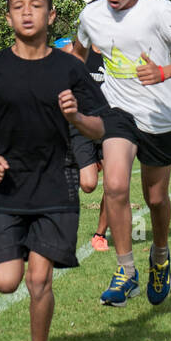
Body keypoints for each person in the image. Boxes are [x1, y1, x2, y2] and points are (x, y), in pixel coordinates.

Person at [0, 0, 107, 341]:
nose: (28, 12)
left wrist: (76, 116)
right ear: (8, 17)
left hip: (55, 184)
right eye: (19, 6)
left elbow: (99, 128)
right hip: (6, 186)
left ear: (51, 15)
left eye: (36, 5)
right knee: (7, 282)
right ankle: (14, 245)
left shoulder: (68, 69)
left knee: (39, 278)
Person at [72, 0, 171, 308]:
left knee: (156, 198)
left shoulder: (160, 11)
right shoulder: (90, 16)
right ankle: (125, 269)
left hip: (160, 117)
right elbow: (77, 54)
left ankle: (160, 257)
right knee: (114, 186)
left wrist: (163, 71)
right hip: (117, 113)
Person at [59, 37, 110, 251]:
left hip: (110, 125)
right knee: (88, 185)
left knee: (115, 183)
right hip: (82, 125)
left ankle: (100, 235)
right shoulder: (79, 54)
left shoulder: (116, 55)